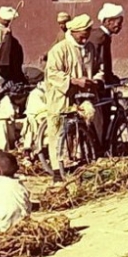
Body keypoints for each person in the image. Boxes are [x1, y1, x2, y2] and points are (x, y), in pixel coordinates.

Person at [43, 15, 99, 180]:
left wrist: (96, 79)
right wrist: (73, 81)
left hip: (82, 96)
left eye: (87, 34)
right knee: (59, 131)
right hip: (61, 97)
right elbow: (52, 73)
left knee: (81, 128)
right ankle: (57, 170)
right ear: (74, 31)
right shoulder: (60, 49)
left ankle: (78, 162)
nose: (85, 38)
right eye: (82, 34)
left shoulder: (90, 48)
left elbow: (98, 67)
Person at [91, 3, 124, 86]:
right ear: (109, 22)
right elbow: (102, 62)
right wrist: (108, 78)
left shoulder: (103, 35)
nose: (120, 27)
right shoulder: (101, 37)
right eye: (118, 23)